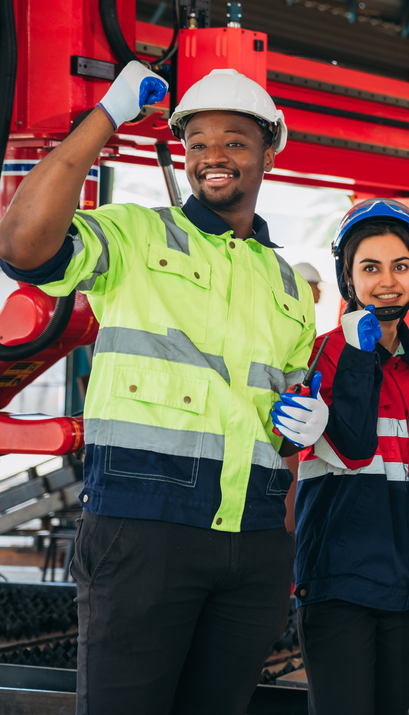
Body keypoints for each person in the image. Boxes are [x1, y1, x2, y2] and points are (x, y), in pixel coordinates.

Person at [0, 65, 316, 714]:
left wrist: (299, 426)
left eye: (233, 139)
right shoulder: (138, 238)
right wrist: (106, 116)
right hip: (143, 532)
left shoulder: (288, 285)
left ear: (267, 151)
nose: (212, 156)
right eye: (196, 142)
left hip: (254, 543)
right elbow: (23, 245)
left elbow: (281, 426)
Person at [279, 198, 409, 715]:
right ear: (348, 279)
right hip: (340, 587)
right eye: (369, 268)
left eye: (401, 266)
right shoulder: (319, 355)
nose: (387, 281)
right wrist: (355, 357)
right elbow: (343, 450)